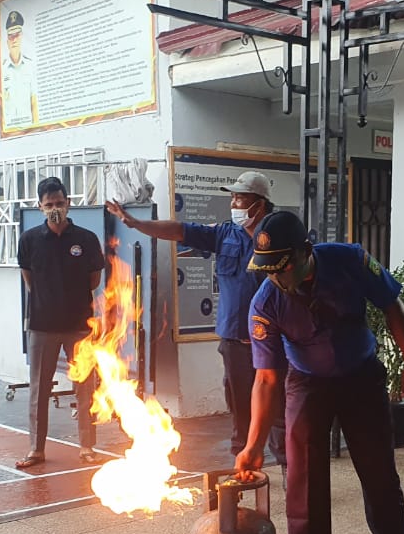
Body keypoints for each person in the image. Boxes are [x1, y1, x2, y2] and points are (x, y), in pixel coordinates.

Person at [235, 211, 404, 534]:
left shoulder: (350, 260)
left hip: (361, 378)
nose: (277, 279)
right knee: (303, 485)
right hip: (306, 385)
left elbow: (392, 306)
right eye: (268, 271)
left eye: (283, 268)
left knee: (380, 477)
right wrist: (251, 447)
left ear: (305, 252)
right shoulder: (265, 302)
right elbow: (266, 380)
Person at [106, 171, 285, 465]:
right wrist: (138, 224)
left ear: (259, 204)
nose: (234, 203)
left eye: (240, 198)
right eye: (233, 197)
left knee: (278, 408)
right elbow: (179, 230)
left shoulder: (278, 239)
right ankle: (242, 466)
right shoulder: (225, 234)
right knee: (240, 408)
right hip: (236, 341)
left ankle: (287, 466)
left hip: (274, 340)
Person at [16, 177, 105, 468]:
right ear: (40, 207)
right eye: (49, 204)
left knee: (84, 387)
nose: (55, 209)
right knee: (39, 388)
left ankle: (87, 446)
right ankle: (34, 449)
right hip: (42, 325)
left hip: (79, 324)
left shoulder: (86, 239)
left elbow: (94, 279)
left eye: (59, 203)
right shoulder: (29, 239)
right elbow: (28, 277)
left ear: (68, 204)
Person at [1, 10, 38, 129]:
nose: (14, 39)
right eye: (11, 36)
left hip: (28, 130)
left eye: (17, 35)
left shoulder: (30, 66)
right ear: (7, 41)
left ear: (21, 36)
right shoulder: (1, 69)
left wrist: (36, 130)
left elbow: (34, 102)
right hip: (9, 133)